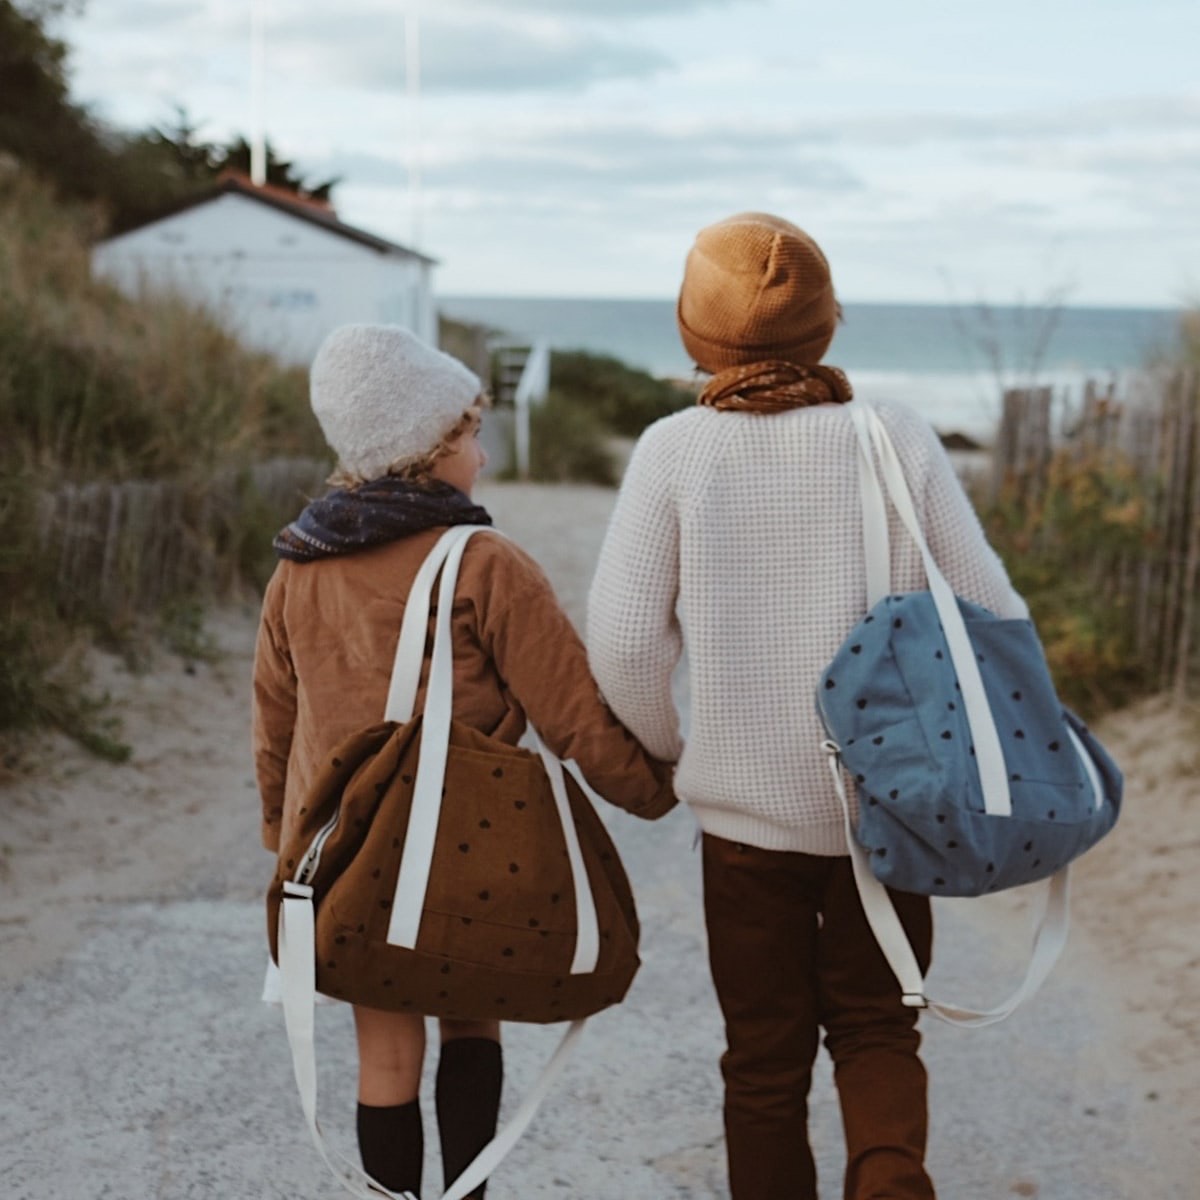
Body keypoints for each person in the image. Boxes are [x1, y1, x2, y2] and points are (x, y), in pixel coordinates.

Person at [586, 213, 1028, 1200]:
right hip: (889, 811)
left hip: (745, 827)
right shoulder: (895, 436)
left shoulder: (673, 452)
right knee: (877, 1029)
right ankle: (890, 1184)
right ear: (827, 328)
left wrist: (667, 750)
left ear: (694, 339)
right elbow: (993, 613)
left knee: (764, 1065)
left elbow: (620, 640)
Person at [252, 324, 677, 1200]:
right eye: (469, 437)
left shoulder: (297, 567)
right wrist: (659, 791)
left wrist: (285, 840)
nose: (482, 458)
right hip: (466, 848)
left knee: (384, 1043)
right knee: (471, 1013)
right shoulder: (485, 563)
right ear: (424, 449)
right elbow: (575, 718)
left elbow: (274, 722)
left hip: (351, 856)